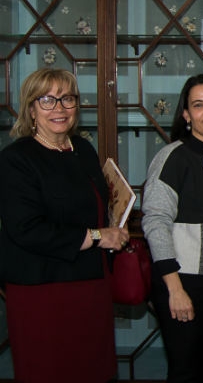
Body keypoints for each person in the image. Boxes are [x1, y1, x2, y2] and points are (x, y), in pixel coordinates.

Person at [0, 68, 129, 382]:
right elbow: (26, 229)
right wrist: (98, 236)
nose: (59, 108)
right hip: (42, 291)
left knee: (94, 370)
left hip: (91, 285)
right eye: (47, 100)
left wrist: (116, 224)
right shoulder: (15, 159)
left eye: (67, 98)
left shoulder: (83, 150)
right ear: (31, 109)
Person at [142, 74, 203, 382]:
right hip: (183, 281)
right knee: (185, 371)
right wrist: (175, 289)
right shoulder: (173, 157)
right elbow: (155, 220)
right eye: (198, 105)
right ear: (186, 115)